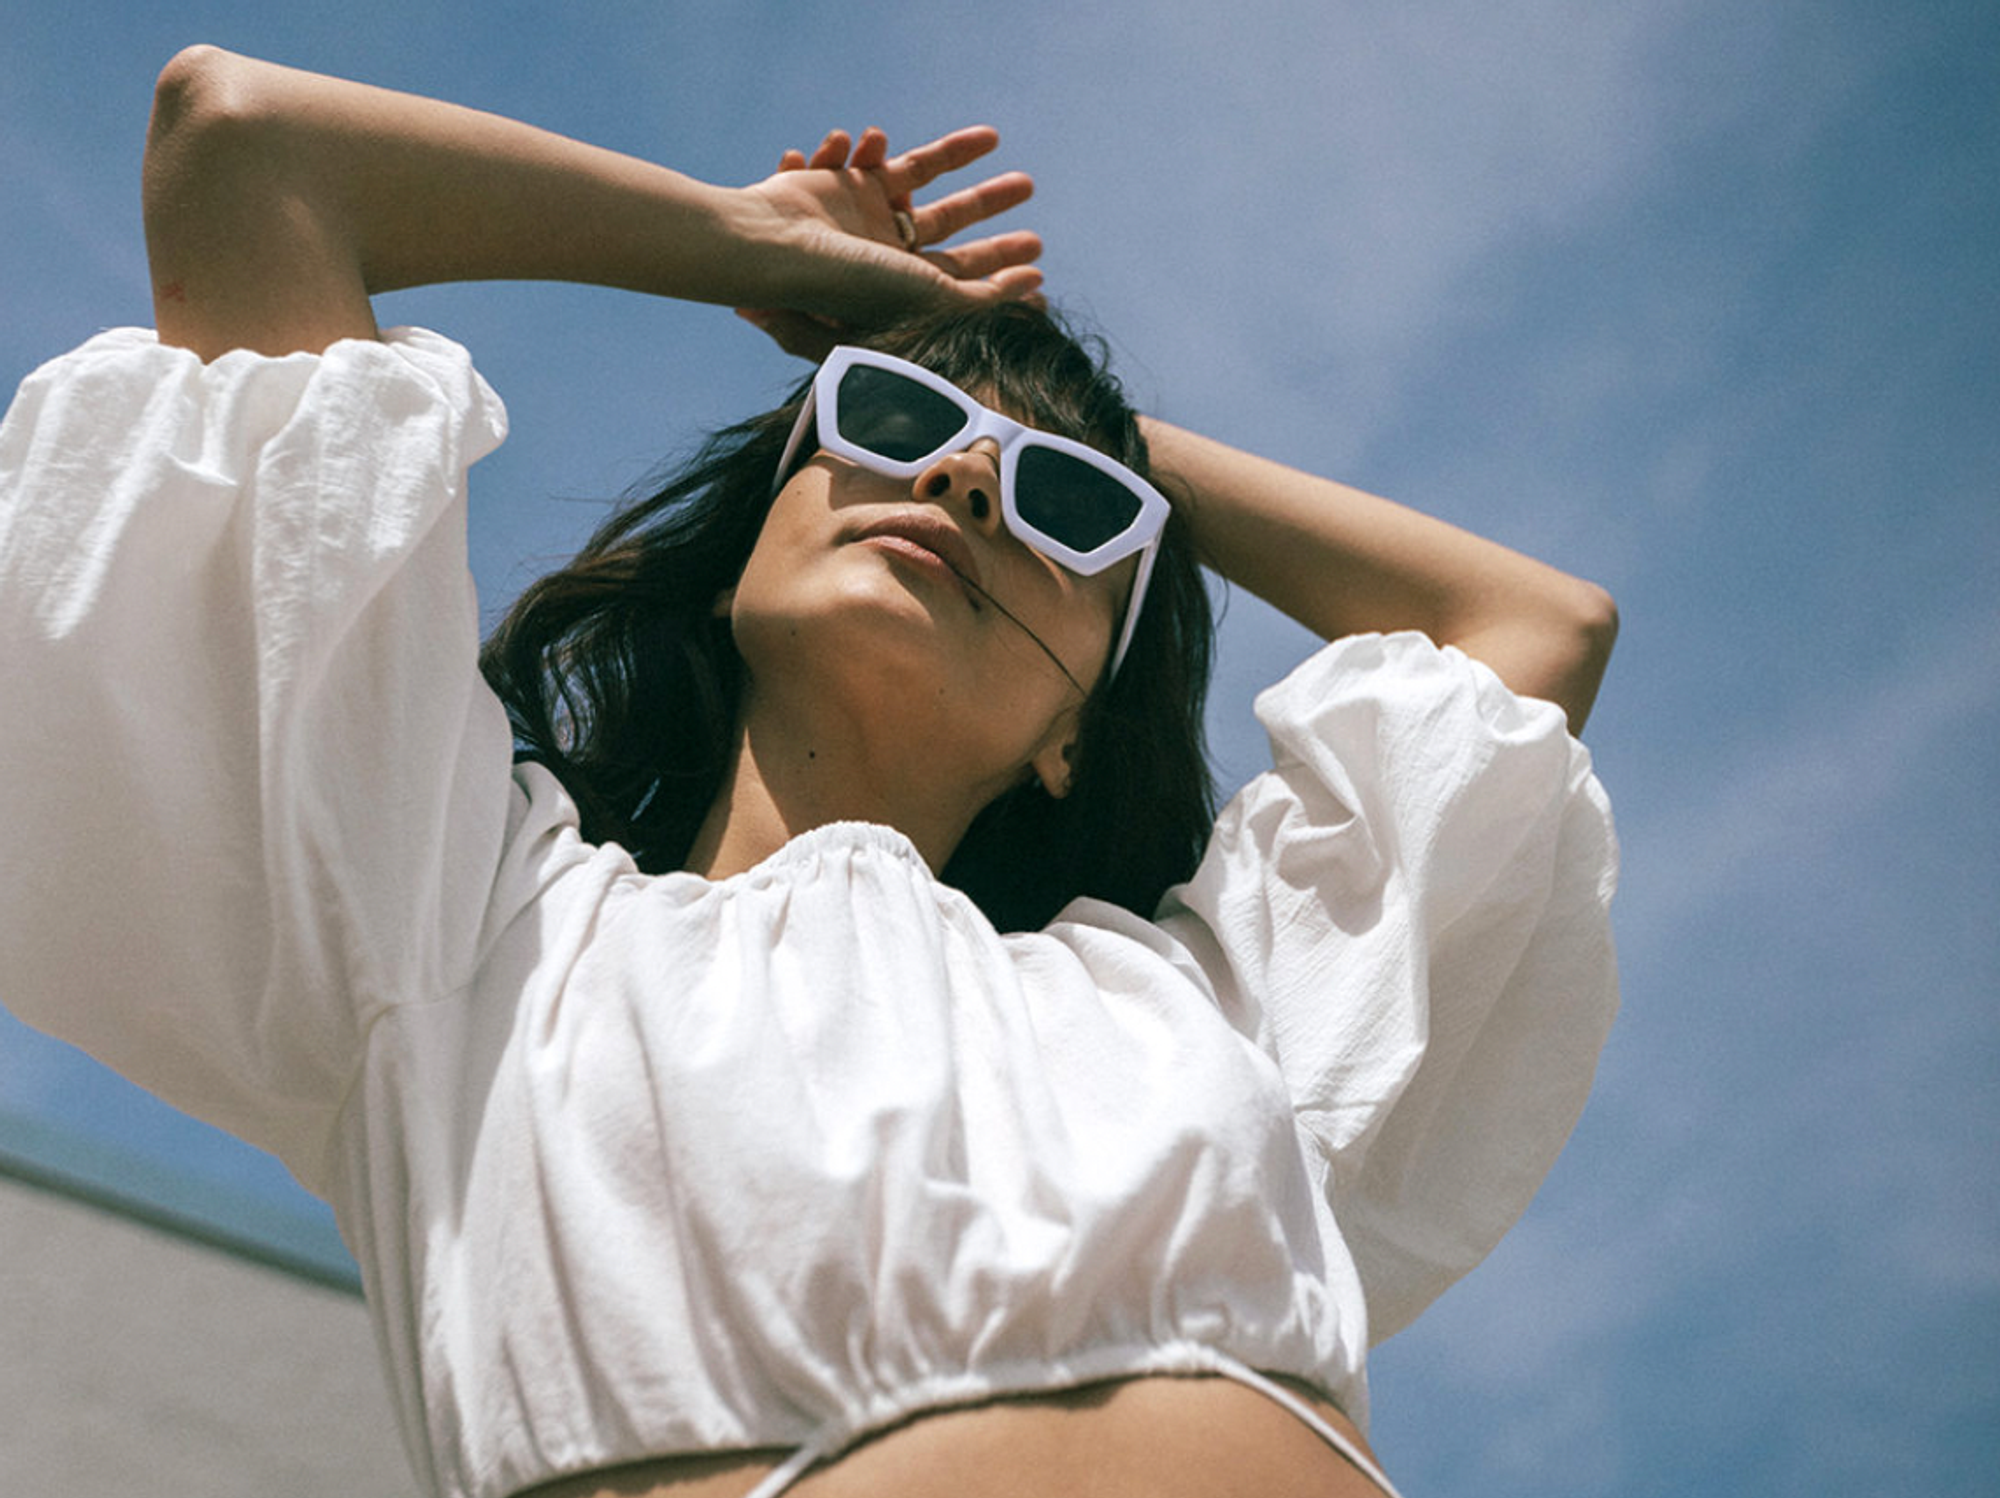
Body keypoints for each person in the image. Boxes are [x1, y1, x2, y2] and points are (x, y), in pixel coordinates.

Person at [0, 44, 1621, 1498]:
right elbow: (246, 141)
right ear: (736, 562)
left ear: (1076, 739)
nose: (971, 476)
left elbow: (1527, 626)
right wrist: (765, 250)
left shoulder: (1199, 1004)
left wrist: (1041, 390)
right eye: (898, 415)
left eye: (1064, 511)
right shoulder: (462, 932)